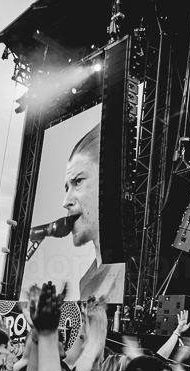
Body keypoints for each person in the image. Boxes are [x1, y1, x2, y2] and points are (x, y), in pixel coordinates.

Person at [62, 123, 125, 302]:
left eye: (78, 182)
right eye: (67, 188)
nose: (65, 202)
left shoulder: (124, 273)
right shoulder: (87, 280)